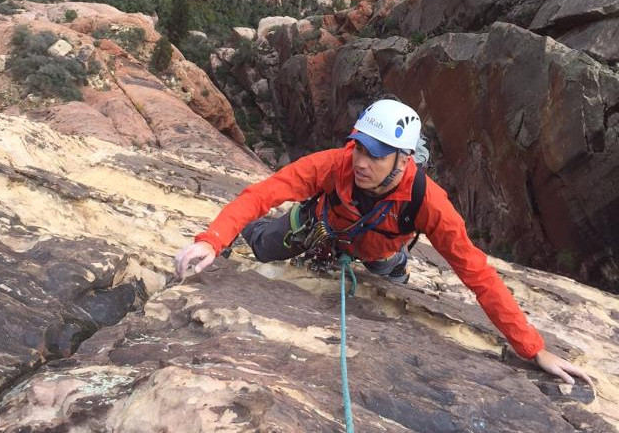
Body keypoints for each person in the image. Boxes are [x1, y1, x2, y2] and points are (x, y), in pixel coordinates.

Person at [175, 98, 592, 386]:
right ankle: (243, 235)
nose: (360, 161)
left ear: (404, 159)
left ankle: (391, 264)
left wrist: (534, 349)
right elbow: (265, 192)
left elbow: (477, 274)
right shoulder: (333, 166)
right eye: (358, 147)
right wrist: (213, 239)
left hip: (380, 248)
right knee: (265, 246)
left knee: (389, 279)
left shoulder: (428, 202)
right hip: (323, 227)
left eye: (375, 154)